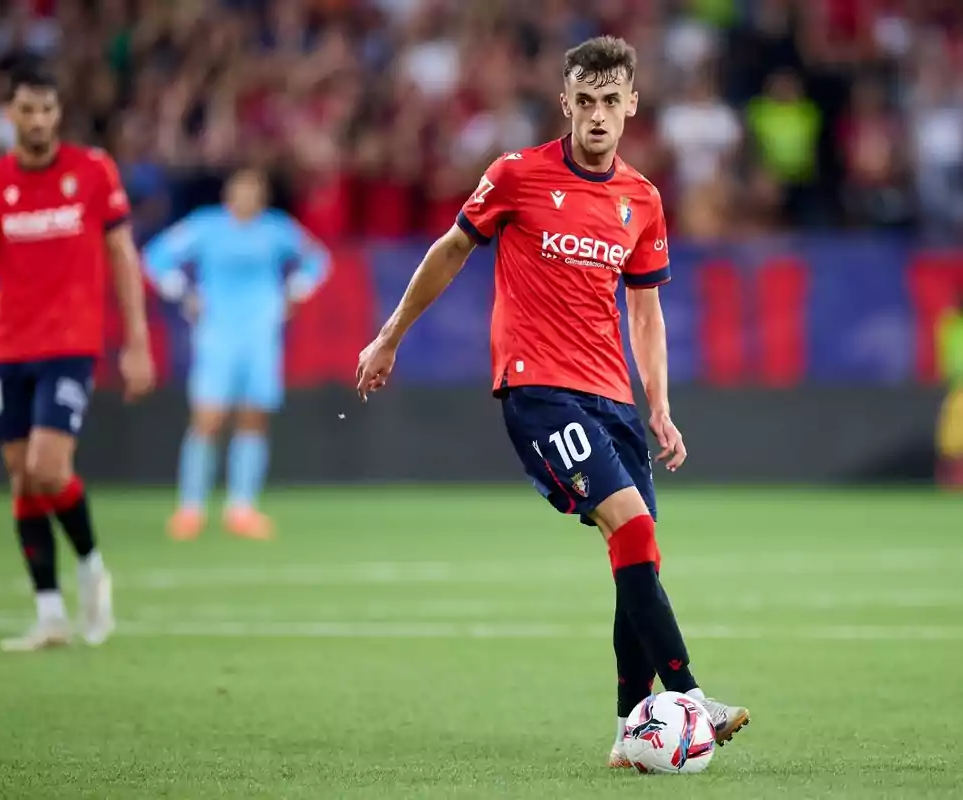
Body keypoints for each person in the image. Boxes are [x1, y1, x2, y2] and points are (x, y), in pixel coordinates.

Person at [356, 36, 749, 767]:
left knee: (638, 558)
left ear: (632, 105)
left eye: (612, 102)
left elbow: (646, 312)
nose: (598, 116)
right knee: (631, 529)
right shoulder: (517, 176)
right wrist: (389, 336)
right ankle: (690, 697)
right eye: (586, 102)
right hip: (538, 390)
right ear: (566, 103)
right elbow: (450, 248)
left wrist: (657, 404)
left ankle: (633, 734)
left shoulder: (643, 201)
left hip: (614, 400)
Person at [0, 62, 155, 652]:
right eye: (26, 110)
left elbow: (122, 257)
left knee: (48, 468)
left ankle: (91, 569)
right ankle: (50, 614)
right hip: (7, 349)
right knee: (20, 479)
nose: (37, 120)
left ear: (59, 113)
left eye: (47, 109)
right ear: (10, 115)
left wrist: (136, 341)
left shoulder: (92, 172)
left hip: (70, 346)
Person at [143, 169, 330, 541]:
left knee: (253, 419)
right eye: (240, 191)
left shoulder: (276, 229)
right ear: (228, 195)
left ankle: (241, 509)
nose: (247, 198)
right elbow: (155, 258)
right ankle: (190, 509)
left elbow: (318, 260)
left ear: (262, 196)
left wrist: (296, 290)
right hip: (217, 335)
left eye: (254, 191)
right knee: (208, 419)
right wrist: (183, 291)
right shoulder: (206, 227)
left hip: (261, 336)